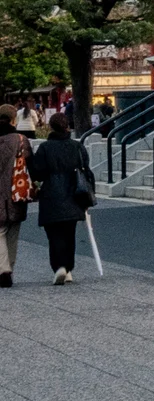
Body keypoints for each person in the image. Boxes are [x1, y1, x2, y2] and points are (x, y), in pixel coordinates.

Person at [29, 113, 95, 285]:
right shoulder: (77, 146)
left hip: (51, 194)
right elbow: (86, 169)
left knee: (54, 234)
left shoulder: (45, 148)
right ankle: (68, 268)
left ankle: (59, 266)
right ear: (68, 127)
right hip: (74, 194)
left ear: (51, 127)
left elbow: (37, 173)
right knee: (69, 232)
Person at [0, 103, 32, 289]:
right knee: (13, 232)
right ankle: (9, 268)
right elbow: (31, 164)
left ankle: (3, 269)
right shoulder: (21, 140)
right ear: (14, 119)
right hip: (16, 191)